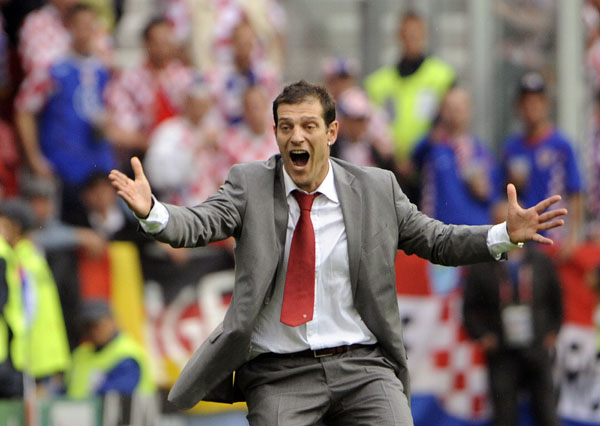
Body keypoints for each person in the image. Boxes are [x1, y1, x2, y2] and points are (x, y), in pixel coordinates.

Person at [109, 80, 567, 425]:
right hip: (279, 373)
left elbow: (437, 240)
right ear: (275, 134)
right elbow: (199, 223)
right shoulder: (248, 184)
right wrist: (153, 211)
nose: (296, 137)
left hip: (363, 367)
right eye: (286, 127)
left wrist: (504, 234)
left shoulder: (377, 188)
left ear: (331, 132)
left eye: (308, 126)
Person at [462, 202, 563, 426]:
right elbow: (468, 309)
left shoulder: (540, 261)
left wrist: (553, 331)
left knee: (547, 413)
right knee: (504, 416)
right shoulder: (482, 265)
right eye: (502, 223)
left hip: (537, 347)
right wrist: (482, 335)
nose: (509, 227)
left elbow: (556, 300)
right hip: (501, 351)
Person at [15, 3, 116, 225]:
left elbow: (111, 110)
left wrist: (106, 123)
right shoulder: (51, 69)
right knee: (68, 227)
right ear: (68, 29)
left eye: (90, 26)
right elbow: (24, 109)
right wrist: (34, 158)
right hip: (62, 165)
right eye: (80, 26)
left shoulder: (104, 69)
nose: (85, 33)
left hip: (97, 165)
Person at [364, 10, 455, 195]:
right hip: (390, 167)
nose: (411, 40)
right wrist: (393, 158)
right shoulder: (379, 82)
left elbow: (445, 122)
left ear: (424, 35)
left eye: (416, 34)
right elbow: (373, 126)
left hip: (428, 166)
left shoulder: (442, 76)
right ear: (398, 36)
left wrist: (417, 156)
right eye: (406, 34)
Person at [500, 71, 584, 251]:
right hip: (523, 241)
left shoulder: (561, 146)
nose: (531, 108)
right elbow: (500, 196)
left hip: (555, 239)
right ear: (518, 107)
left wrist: (573, 237)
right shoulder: (510, 149)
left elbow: (575, 192)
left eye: (536, 102)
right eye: (526, 103)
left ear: (546, 104)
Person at [413, 87, 499, 226]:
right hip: (439, 229)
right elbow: (412, 161)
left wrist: (485, 190)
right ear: (441, 111)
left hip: (474, 229)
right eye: (450, 107)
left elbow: (495, 194)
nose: (455, 112)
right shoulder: (433, 147)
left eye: (460, 107)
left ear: (470, 110)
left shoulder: (481, 151)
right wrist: (431, 138)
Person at [66, 299, 155, 398]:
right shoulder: (80, 353)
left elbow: (116, 395)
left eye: (98, 325)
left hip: (116, 408)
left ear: (112, 321)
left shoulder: (127, 354)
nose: (93, 330)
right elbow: (66, 388)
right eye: (88, 325)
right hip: (71, 408)